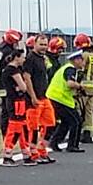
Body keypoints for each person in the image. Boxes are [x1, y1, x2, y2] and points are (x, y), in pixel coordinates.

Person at [23, 34, 57, 164]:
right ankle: (34, 154)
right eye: (41, 44)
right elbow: (27, 77)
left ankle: (42, 150)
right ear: (35, 44)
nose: (44, 47)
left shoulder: (43, 58)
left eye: (45, 45)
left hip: (44, 97)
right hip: (35, 99)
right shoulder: (30, 58)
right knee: (34, 128)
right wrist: (33, 97)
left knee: (50, 124)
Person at [46, 50, 86, 153]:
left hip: (56, 97)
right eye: (82, 60)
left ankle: (54, 142)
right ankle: (72, 145)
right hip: (60, 99)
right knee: (76, 121)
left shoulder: (66, 68)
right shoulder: (70, 69)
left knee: (66, 122)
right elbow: (69, 84)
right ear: (76, 60)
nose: (83, 63)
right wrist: (80, 86)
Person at [0, 49, 35, 167]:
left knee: (22, 127)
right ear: (17, 57)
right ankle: (7, 154)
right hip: (16, 101)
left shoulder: (7, 69)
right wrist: (21, 87)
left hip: (14, 100)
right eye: (22, 57)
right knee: (15, 127)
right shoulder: (13, 70)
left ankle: (26, 153)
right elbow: (23, 87)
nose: (24, 60)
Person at [0, 29, 23, 136]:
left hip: (4, 81)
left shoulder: (1, 50)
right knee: (8, 110)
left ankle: (8, 133)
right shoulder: (7, 52)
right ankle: (8, 133)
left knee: (7, 110)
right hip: (9, 83)